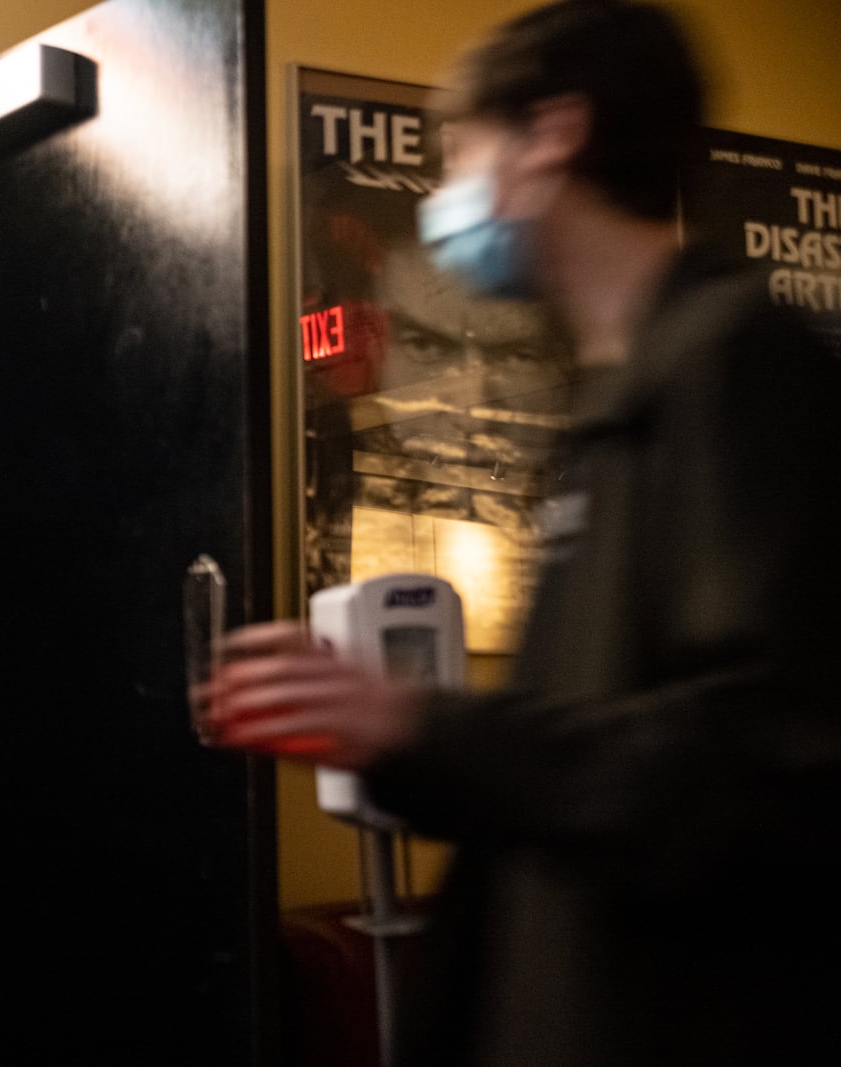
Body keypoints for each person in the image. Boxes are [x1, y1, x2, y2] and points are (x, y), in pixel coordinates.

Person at [205, 3, 841, 1065]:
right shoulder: (610, 400)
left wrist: (416, 722)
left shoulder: (741, 367)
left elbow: (750, 769)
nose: (447, 197)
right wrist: (385, 736)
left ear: (551, 134)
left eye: (460, 154)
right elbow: (564, 760)